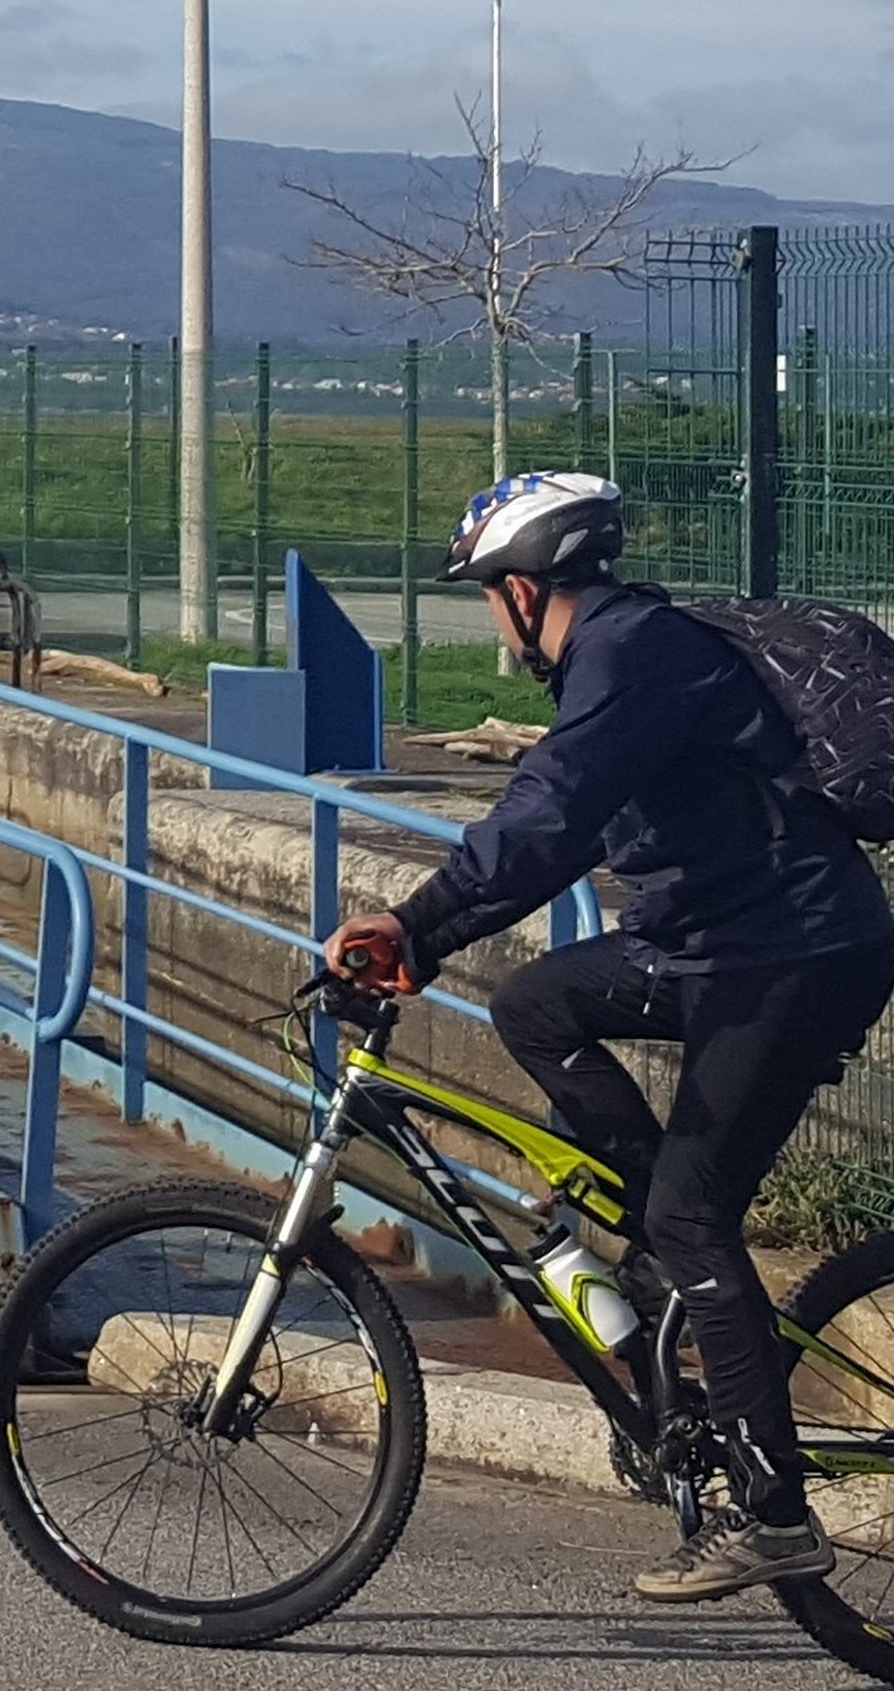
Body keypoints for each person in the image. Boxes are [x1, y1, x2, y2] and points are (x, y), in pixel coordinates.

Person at [325, 471, 894, 1605]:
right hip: (706, 947)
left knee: (695, 1215)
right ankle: (653, 1232)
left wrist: (416, 922)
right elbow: (553, 816)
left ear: (526, 590)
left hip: (792, 957)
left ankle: (774, 1515)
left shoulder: (633, 658)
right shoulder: (621, 652)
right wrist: (426, 942)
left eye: (490, 596)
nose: (493, 621)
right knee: (535, 1005)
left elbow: (549, 811)